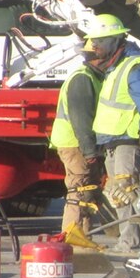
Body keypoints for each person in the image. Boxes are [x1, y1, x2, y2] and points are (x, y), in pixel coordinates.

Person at [91, 14, 140, 253]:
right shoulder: (116, 67)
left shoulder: (136, 67)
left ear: (115, 40)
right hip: (113, 141)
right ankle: (130, 240)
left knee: (131, 191)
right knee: (119, 195)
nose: (95, 46)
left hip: (128, 140)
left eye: (100, 41)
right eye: (94, 41)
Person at [49, 46, 106, 235]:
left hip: (76, 142)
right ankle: (73, 239)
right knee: (80, 191)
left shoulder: (91, 77)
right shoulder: (83, 79)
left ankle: (82, 237)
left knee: (86, 191)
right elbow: (81, 120)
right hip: (75, 143)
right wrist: (90, 151)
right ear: (98, 57)